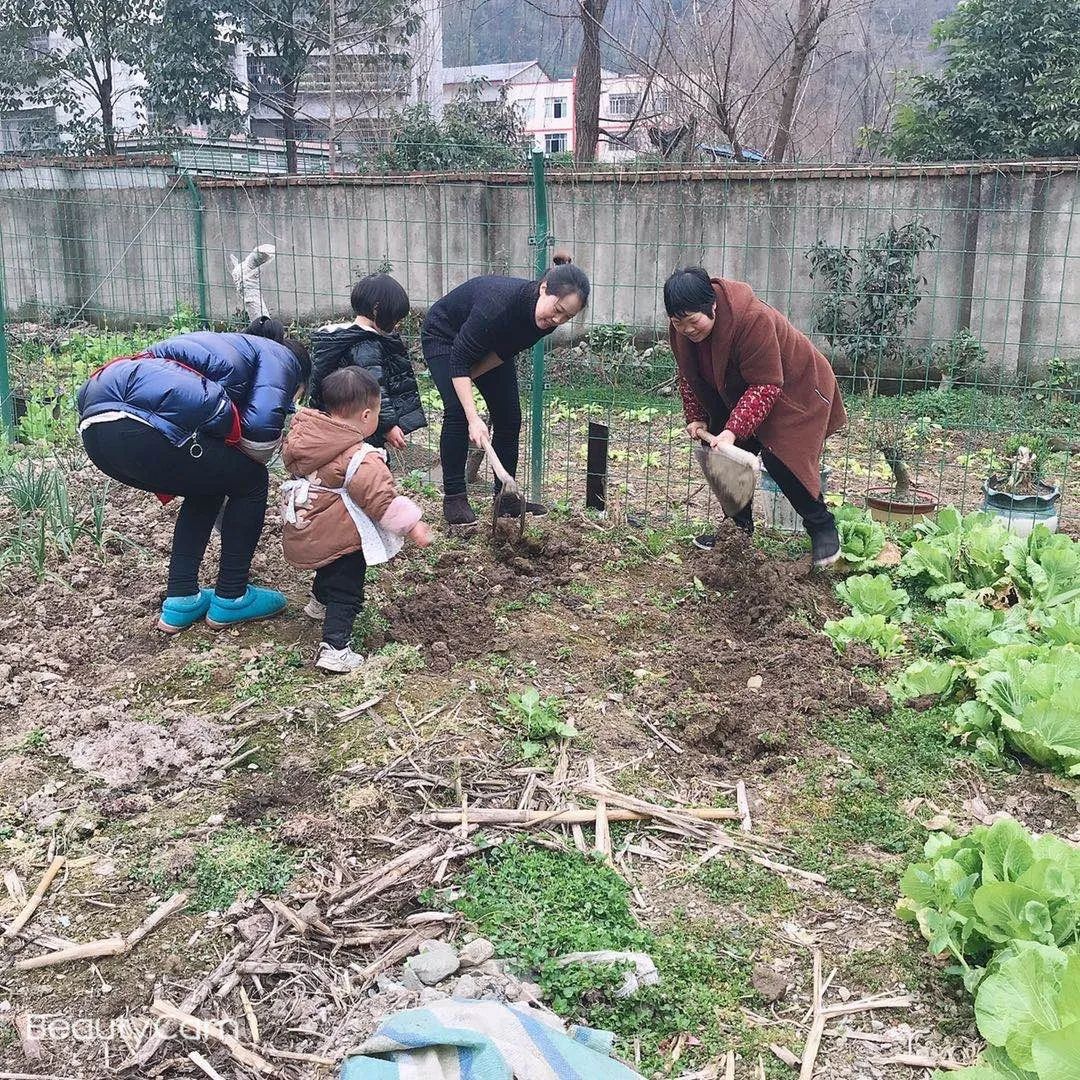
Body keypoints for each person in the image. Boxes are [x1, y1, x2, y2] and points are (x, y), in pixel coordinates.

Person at [77, 321, 310, 633]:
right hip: (143, 422)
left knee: (209, 484)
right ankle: (232, 596)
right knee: (251, 480)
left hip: (97, 428)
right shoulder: (282, 357)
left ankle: (182, 598)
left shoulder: (228, 346)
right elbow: (259, 435)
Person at [665, 267, 847, 566]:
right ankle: (736, 534)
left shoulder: (751, 318)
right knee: (724, 455)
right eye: (677, 322)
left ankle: (823, 529)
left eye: (692, 321)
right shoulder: (682, 330)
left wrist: (732, 430)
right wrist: (696, 416)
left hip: (795, 386)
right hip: (738, 389)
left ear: (712, 305)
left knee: (783, 458)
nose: (686, 329)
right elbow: (688, 376)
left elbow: (766, 384)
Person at [280, 367, 431, 673]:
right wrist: (413, 525)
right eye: (377, 413)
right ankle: (335, 649)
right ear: (366, 416)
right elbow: (381, 499)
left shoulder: (308, 440)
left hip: (309, 525)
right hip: (341, 533)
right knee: (347, 588)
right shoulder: (359, 455)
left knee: (329, 565)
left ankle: (318, 604)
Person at [422, 253, 590, 525]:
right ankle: (454, 498)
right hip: (445, 336)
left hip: (490, 346)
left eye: (567, 317)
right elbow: (459, 360)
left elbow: (501, 353)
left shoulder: (544, 321)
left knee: (509, 417)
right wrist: (473, 417)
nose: (558, 320)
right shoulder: (496, 305)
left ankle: (505, 500)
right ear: (544, 288)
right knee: (457, 411)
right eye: (558, 310)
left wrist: (469, 377)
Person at [307, 273, 426, 451]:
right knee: (369, 466)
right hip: (360, 424)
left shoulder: (343, 338)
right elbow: (375, 388)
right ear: (377, 309)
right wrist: (388, 426)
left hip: (344, 419)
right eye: (394, 318)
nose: (395, 325)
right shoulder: (365, 344)